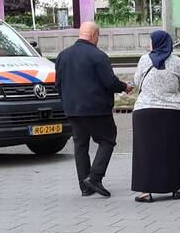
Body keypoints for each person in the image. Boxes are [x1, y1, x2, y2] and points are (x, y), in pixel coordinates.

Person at [55, 21, 131, 197]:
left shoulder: (62, 55)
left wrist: (67, 101)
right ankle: (95, 177)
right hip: (96, 109)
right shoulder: (98, 56)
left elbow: (57, 84)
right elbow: (109, 82)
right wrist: (124, 87)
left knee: (80, 145)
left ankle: (84, 186)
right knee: (107, 139)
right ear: (94, 35)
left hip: (72, 109)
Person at [131, 30, 180, 203]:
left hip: (146, 110)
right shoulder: (177, 61)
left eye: (151, 41)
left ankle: (146, 191)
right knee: (172, 149)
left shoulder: (144, 59)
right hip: (172, 110)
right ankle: (175, 187)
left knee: (146, 151)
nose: (149, 44)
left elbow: (136, 81)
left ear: (156, 43)